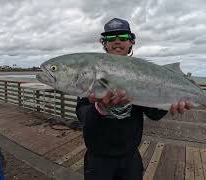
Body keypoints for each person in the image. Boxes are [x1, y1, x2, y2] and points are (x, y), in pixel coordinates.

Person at [75, 18, 191, 180]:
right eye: (110, 37)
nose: (117, 41)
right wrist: (100, 108)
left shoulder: (142, 72)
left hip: (130, 157)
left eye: (123, 37)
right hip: (98, 158)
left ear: (131, 42)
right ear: (104, 43)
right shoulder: (92, 72)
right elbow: (83, 116)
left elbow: (153, 114)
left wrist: (170, 103)